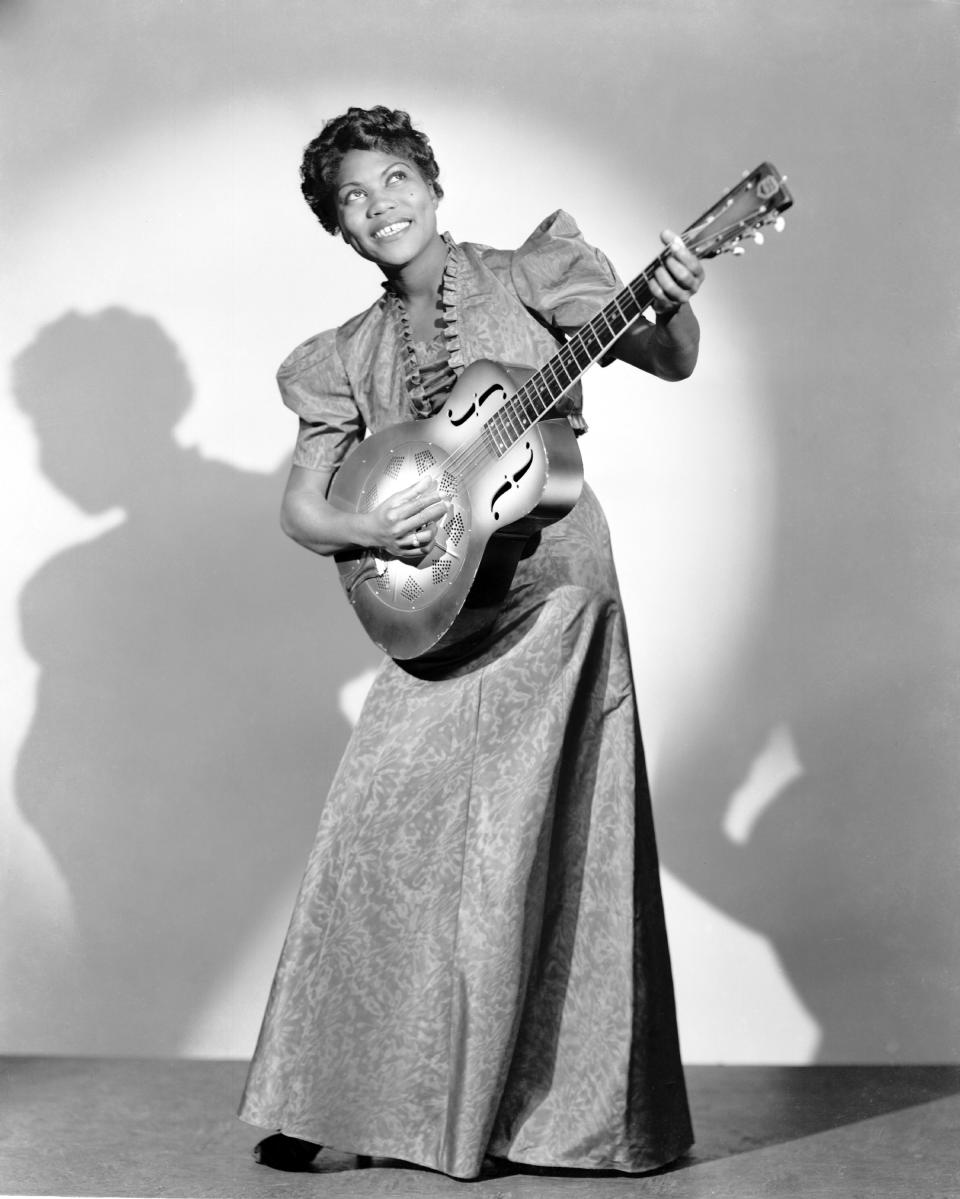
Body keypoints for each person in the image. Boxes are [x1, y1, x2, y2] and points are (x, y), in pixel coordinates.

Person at [239, 105, 704, 1180]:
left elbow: (665, 358)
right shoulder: (343, 356)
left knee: (523, 848)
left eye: (394, 178)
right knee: (373, 830)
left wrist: (674, 307)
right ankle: (342, 1096)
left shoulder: (534, 270)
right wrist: (368, 526)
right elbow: (305, 507)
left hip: (554, 589)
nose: (379, 205)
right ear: (340, 231)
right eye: (353, 199)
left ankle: (546, 1118)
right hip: (443, 610)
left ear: (433, 184)